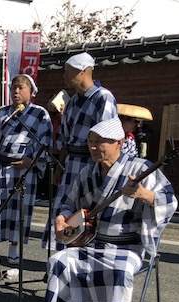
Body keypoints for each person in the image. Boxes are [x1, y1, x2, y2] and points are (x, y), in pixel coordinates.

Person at [42, 118, 177, 302]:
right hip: (93, 241)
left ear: (119, 143)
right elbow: (68, 202)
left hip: (129, 246)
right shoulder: (88, 172)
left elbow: (170, 201)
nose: (93, 148)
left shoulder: (139, 168)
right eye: (91, 142)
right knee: (60, 260)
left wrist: (144, 194)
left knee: (120, 270)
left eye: (99, 143)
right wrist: (61, 219)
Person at [0, 74, 53, 264]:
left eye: (21, 88)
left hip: (25, 170)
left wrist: (32, 161)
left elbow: (45, 142)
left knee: (21, 210)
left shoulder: (40, 114)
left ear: (31, 91)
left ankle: (15, 249)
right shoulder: (1, 113)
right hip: (2, 167)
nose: (16, 91)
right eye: (13, 88)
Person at [53, 53, 117, 217]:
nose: (64, 76)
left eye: (67, 71)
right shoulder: (73, 101)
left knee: (85, 213)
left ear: (82, 71)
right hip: (70, 163)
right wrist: (59, 168)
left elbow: (107, 138)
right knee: (62, 213)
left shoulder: (103, 97)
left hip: (91, 164)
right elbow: (65, 138)